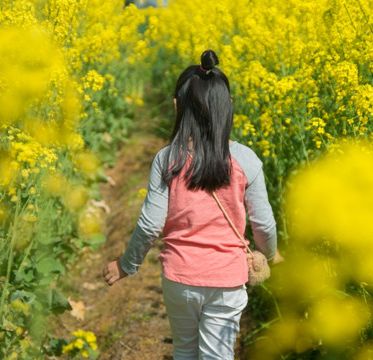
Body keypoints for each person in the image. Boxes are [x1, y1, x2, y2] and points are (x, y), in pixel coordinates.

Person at [103, 49, 281, 360]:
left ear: (177, 106)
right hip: (227, 280)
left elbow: (149, 224)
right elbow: (263, 223)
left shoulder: (167, 159)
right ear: (229, 108)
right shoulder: (246, 160)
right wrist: (268, 254)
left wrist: (126, 265)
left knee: (184, 352)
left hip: (179, 278)